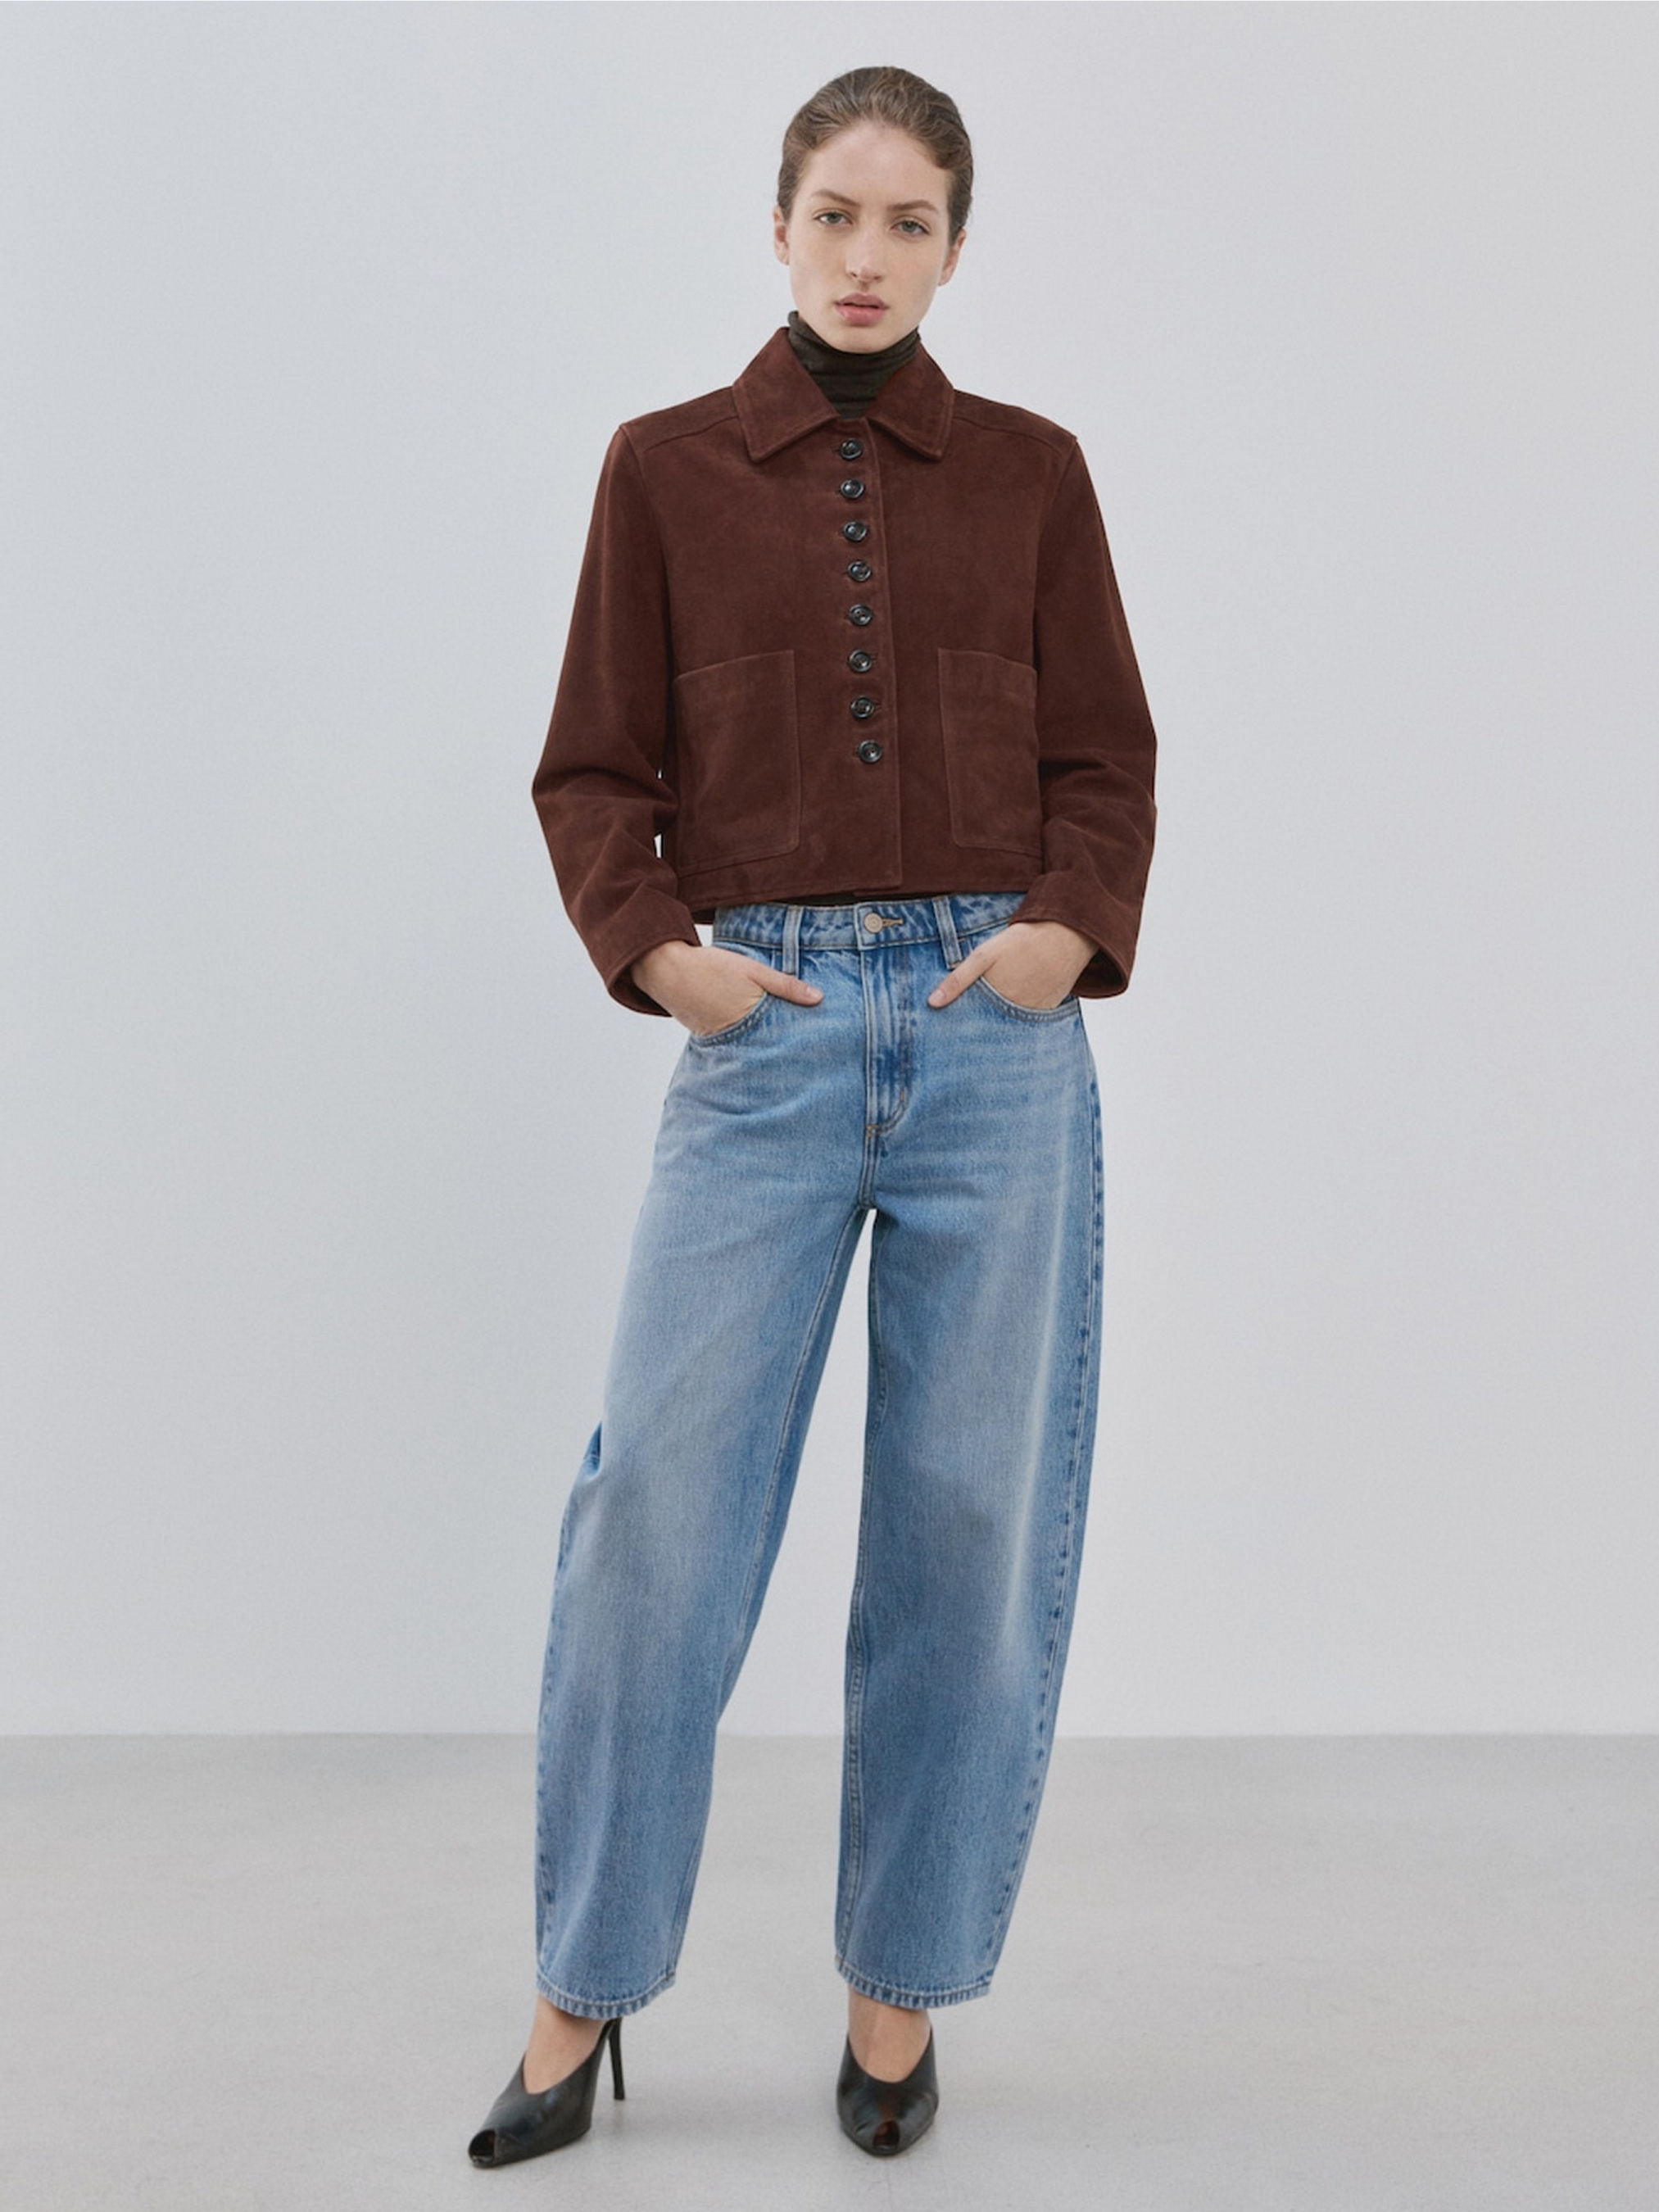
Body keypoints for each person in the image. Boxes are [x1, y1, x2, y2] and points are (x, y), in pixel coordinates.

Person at [468, 61, 1158, 2167]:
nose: (866, 258)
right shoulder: (662, 470)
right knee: (653, 1517)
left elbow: (1105, 762)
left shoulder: (1031, 474)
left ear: (954, 247)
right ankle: (578, 1990)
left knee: (964, 1524)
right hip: (757, 1033)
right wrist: (665, 956)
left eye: (907, 222)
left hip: (988, 1042)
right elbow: (592, 770)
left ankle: (895, 1994)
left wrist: (1057, 932)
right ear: (777, 229)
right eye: (834, 216)